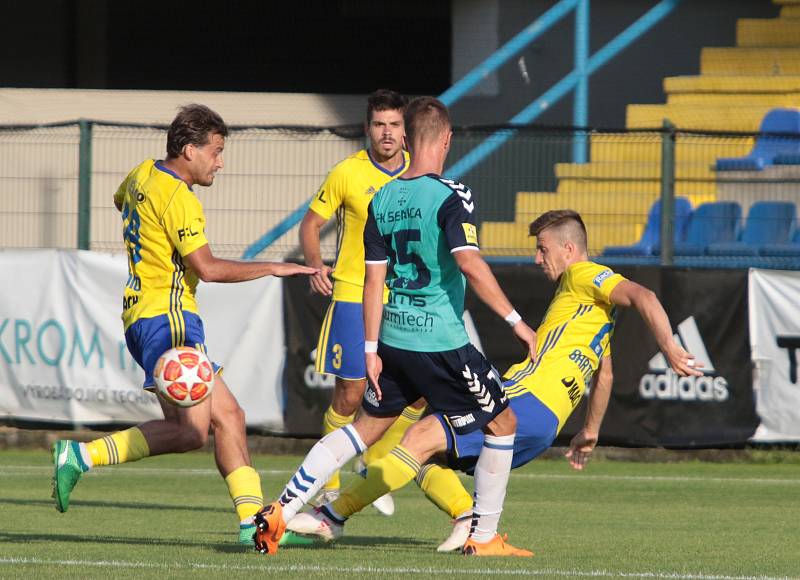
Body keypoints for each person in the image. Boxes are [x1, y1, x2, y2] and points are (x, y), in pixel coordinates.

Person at [289, 208, 703, 552]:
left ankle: (332, 516)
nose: (538, 259)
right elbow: (605, 373)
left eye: (543, 250)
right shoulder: (593, 319)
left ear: (569, 249)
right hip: (547, 424)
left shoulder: (584, 275)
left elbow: (644, 296)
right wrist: (589, 431)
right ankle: (468, 521)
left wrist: (668, 346)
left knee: (417, 438)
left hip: (523, 396)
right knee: (425, 453)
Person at [253, 96, 538, 557]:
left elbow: (373, 279)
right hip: (441, 342)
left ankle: (283, 508)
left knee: (361, 430)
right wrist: (516, 322)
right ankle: (483, 538)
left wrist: (370, 348)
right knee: (503, 423)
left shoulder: (382, 198)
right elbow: (469, 263)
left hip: (393, 339)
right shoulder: (452, 195)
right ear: (445, 140)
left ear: (406, 137)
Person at [51, 104, 316, 544]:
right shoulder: (181, 199)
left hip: (143, 315)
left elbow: (122, 201)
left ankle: (255, 527)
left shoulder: (142, 173)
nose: (220, 162)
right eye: (215, 151)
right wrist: (272, 267)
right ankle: (81, 455)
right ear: (189, 149)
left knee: (228, 416)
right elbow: (208, 268)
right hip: (169, 319)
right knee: (190, 432)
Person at [299, 89, 425, 514]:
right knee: (351, 395)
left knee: (421, 396)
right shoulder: (347, 173)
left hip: (405, 299)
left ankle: (373, 464)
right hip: (354, 294)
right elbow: (311, 223)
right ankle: (329, 483)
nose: (386, 133)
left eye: (393, 124)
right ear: (367, 128)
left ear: (405, 129)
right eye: (378, 124)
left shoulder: (420, 173)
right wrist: (316, 263)